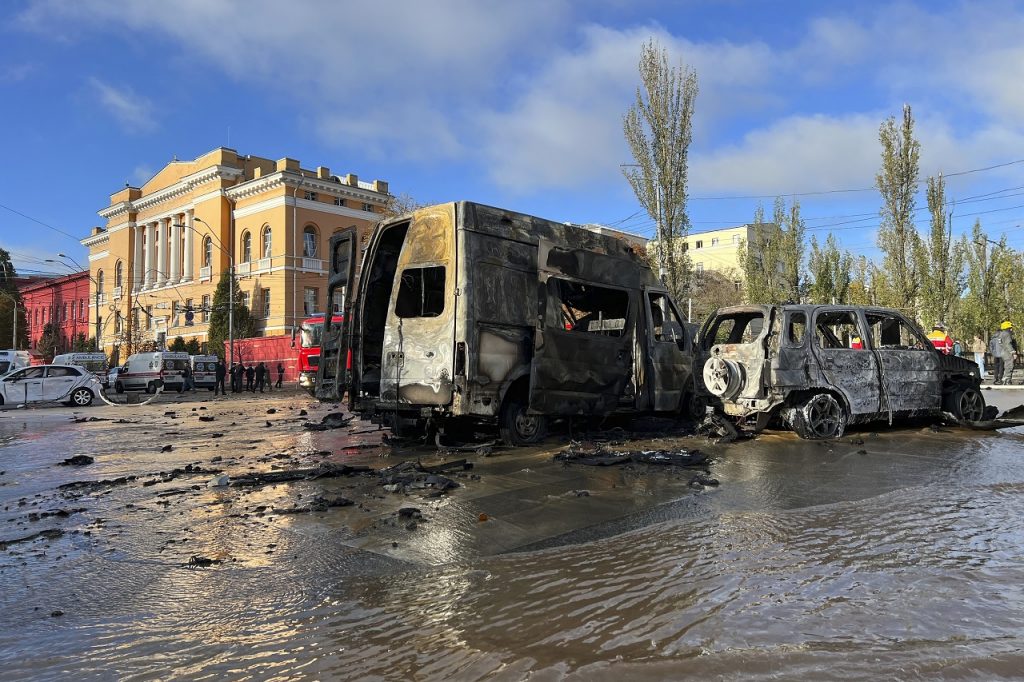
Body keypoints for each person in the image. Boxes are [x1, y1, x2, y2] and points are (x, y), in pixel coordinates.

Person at [994, 321, 1018, 385]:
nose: (1011, 329)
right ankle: (1007, 380)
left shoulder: (1001, 334)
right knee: (1010, 366)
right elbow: (1008, 344)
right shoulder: (1007, 334)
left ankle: (1005, 379)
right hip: (1008, 353)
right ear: (1007, 328)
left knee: (1006, 366)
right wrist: (1013, 352)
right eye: (1010, 327)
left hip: (1003, 352)